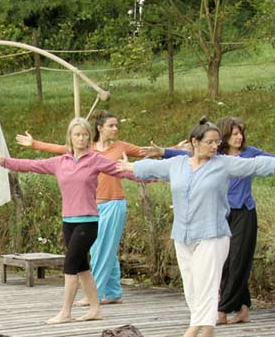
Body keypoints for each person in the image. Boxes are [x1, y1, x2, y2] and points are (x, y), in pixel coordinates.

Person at [120, 120, 275, 337]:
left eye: (217, 141)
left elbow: (258, 164)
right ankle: (208, 333)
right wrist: (129, 168)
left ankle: (191, 334)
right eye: (210, 142)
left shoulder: (224, 164)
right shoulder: (177, 164)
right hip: (183, 234)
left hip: (212, 234)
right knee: (192, 286)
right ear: (195, 142)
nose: (215, 146)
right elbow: (149, 169)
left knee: (206, 284)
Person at [0, 117, 143, 325]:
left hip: (88, 221)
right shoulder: (61, 162)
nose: (81, 138)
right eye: (77, 134)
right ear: (70, 137)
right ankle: (95, 309)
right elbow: (32, 165)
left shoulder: (95, 159)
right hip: (69, 220)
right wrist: (4, 161)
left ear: (89, 137)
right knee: (82, 267)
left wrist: (154, 173)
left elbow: (123, 170)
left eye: (85, 135)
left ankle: (65, 312)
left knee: (70, 265)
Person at [15, 112, 166, 306]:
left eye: (116, 125)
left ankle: (97, 292)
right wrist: (35, 144)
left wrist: (174, 152)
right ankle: (112, 291)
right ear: (99, 128)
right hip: (93, 205)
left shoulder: (120, 147)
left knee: (102, 249)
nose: (115, 129)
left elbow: (142, 157)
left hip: (113, 202)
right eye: (111, 125)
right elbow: (62, 149)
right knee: (102, 249)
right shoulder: (88, 149)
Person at [214, 117, 275, 326]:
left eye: (240, 133)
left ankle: (222, 310)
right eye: (234, 134)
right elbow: (186, 157)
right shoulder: (216, 156)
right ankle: (243, 308)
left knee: (238, 260)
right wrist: (163, 152)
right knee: (223, 262)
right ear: (224, 136)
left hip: (244, 213)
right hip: (221, 213)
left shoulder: (251, 153)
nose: (239, 137)